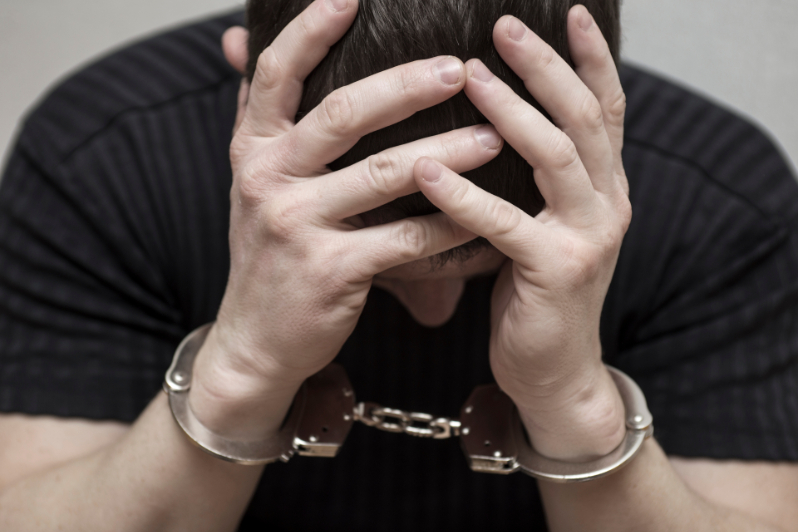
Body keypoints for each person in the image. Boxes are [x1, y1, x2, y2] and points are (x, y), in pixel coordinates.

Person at [0, 0, 797, 529]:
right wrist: (240, 369)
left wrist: (574, 404)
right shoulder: (105, 155)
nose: (437, 315)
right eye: (367, 248)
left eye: (488, 259)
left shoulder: (722, 198)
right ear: (252, 69)